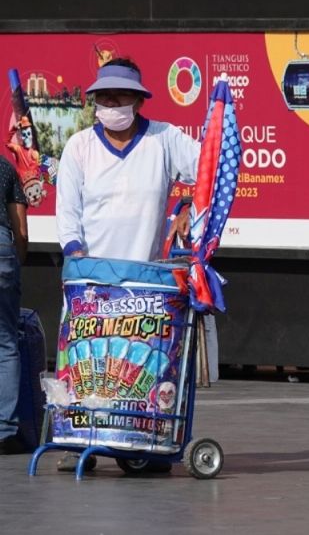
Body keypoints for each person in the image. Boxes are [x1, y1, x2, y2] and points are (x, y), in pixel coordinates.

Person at [55, 57, 200, 469]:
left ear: (137, 100)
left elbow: (208, 166)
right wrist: (75, 254)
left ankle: (143, 439)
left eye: (119, 96)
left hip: (146, 282)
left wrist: (189, 202)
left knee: (140, 366)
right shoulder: (79, 146)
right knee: (86, 363)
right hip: (91, 279)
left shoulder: (164, 139)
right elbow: (67, 209)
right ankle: (74, 438)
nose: (110, 103)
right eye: (103, 97)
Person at [0, 156, 28, 454]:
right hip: (1, 250)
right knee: (6, 345)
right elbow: (21, 231)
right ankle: (5, 432)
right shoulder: (5, 166)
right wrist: (15, 267)